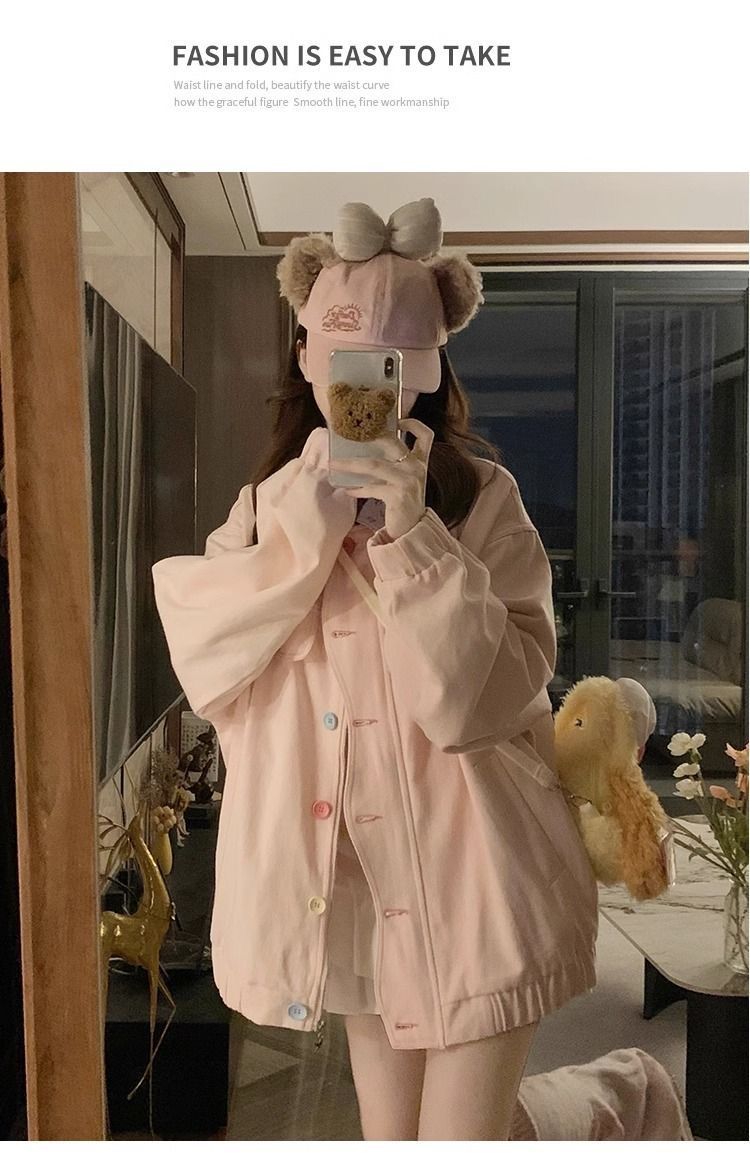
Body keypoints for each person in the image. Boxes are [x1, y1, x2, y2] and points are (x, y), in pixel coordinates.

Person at [152, 198, 599, 1140]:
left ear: (424, 374)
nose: (367, 392)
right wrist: (300, 542)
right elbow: (211, 669)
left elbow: (491, 703)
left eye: (391, 367)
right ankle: (605, 1110)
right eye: (347, 362)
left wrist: (413, 536)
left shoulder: (483, 500)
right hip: (353, 891)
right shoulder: (264, 510)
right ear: (308, 360)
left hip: (478, 877)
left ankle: (611, 1106)